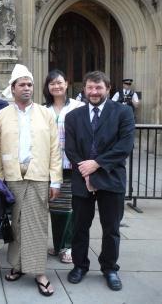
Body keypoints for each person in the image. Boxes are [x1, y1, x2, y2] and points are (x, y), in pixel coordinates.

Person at [0, 64, 62, 296]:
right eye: (21, 84)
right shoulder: (2, 115)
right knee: (17, 225)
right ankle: (18, 266)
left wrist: (56, 180)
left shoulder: (45, 113)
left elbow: (55, 148)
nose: (27, 88)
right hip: (13, 178)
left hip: (39, 176)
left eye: (30, 84)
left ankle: (40, 272)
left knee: (38, 225)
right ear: (12, 89)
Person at [65, 71, 135, 291]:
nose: (94, 92)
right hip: (82, 179)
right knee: (79, 227)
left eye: (98, 88)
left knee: (111, 228)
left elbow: (124, 147)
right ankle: (79, 265)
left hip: (111, 179)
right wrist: (87, 173)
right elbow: (71, 149)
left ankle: (109, 268)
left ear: (108, 88)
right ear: (84, 89)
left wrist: (95, 165)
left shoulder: (123, 113)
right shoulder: (73, 117)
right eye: (90, 88)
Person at [43, 70, 84, 264]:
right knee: (55, 207)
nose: (56, 86)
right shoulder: (43, 109)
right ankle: (59, 245)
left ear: (66, 84)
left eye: (59, 82)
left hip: (71, 165)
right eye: (52, 84)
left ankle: (68, 246)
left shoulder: (78, 107)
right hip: (50, 166)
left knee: (70, 207)